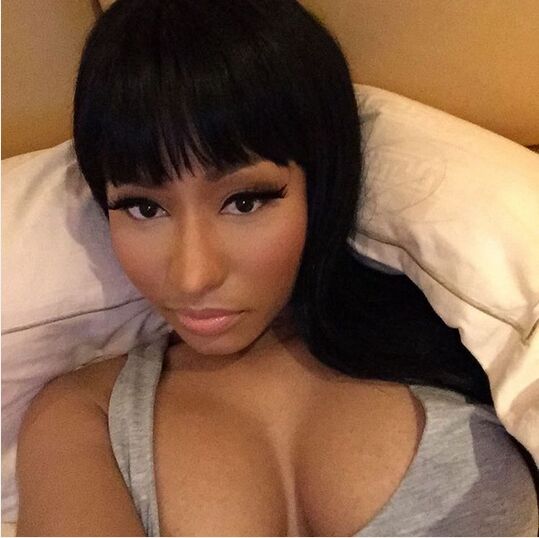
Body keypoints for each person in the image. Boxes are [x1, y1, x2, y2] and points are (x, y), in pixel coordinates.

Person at [15, 0, 537, 536]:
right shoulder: (83, 420)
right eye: (144, 208)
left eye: (244, 202)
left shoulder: (476, 337)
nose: (193, 276)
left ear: (321, 182)